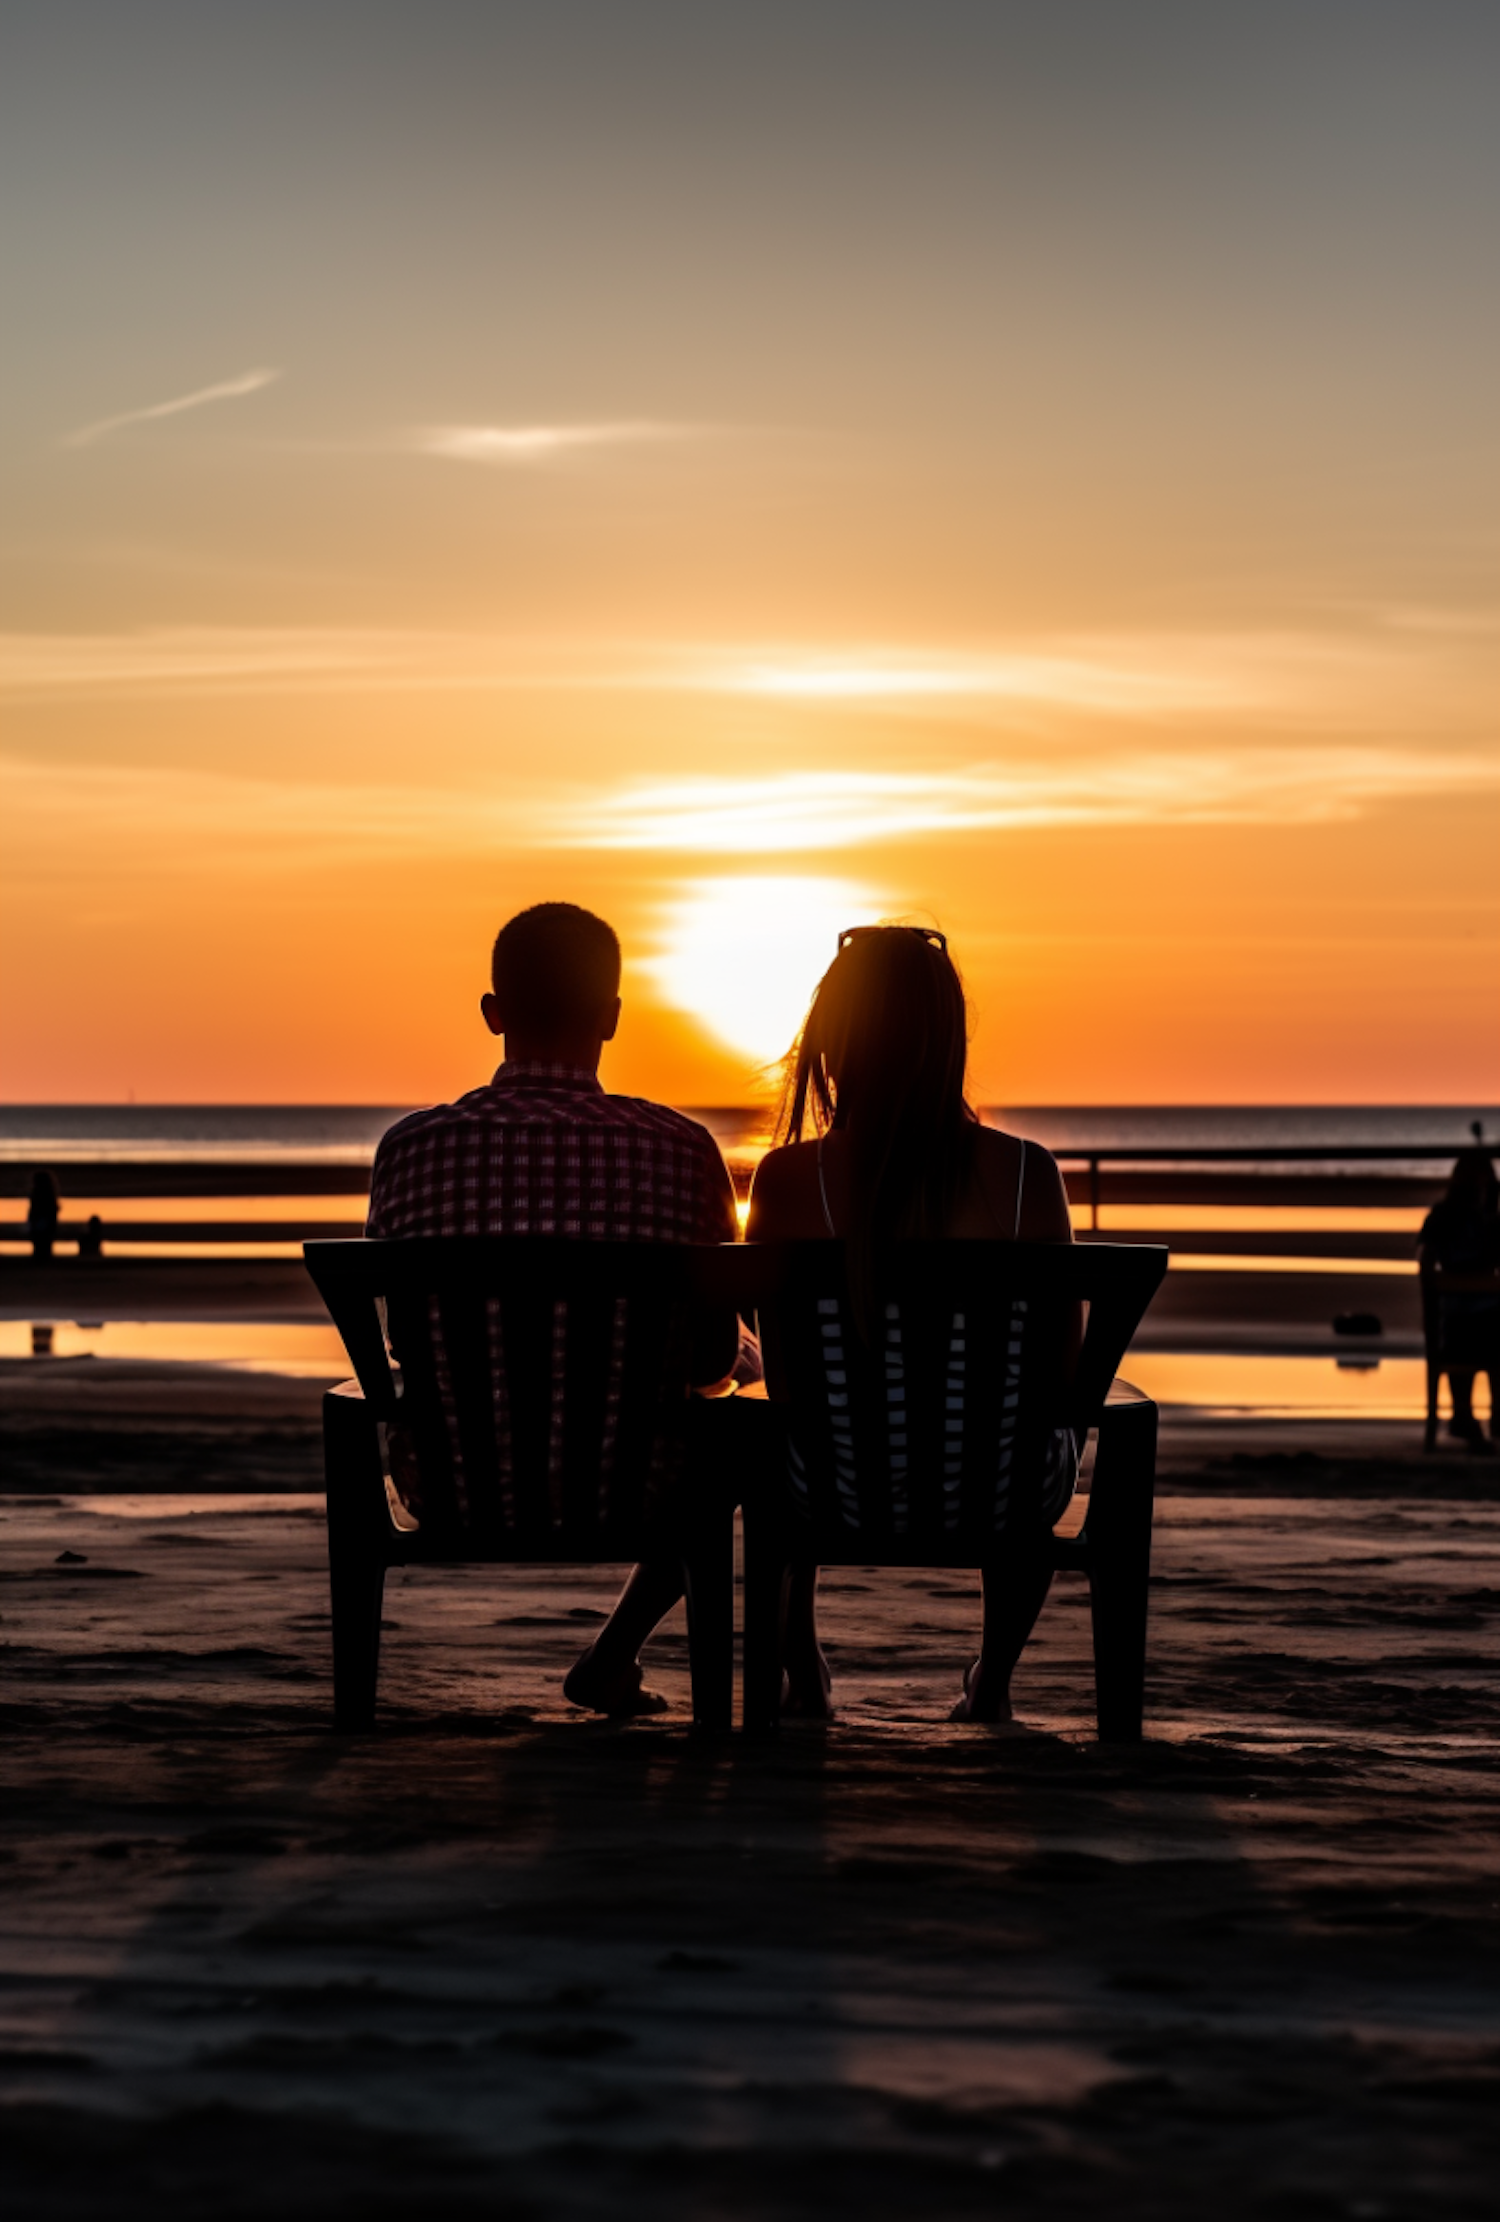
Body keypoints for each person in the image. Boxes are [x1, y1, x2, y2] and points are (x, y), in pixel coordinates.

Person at [366, 901, 751, 1713]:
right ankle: (646, 1664)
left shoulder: (410, 1148)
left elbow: (405, 1337)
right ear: (612, 1018)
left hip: (452, 1484)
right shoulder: (682, 1150)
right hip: (637, 1486)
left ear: (493, 1014)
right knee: (743, 1409)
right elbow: (714, 1361)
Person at [744, 923, 1078, 1722]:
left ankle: (802, 1674)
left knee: (770, 1430)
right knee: (1035, 1429)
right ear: (952, 1038)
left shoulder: (788, 1180)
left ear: (831, 1042)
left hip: (830, 1490)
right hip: (1002, 1492)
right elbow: (1057, 1377)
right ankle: (992, 1682)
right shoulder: (1031, 1175)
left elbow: (788, 1382)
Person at [1419, 1146, 1500, 1449]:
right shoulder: (1488, 1224)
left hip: (1451, 1331)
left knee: (1464, 1321)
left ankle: (1463, 1415)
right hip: (1475, 1330)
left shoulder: (1440, 1217)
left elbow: (1425, 1255)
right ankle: (1489, 1416)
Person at [26, 1170, 60, 1261]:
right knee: (45, 1250)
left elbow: (33, 1214)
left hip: (40, 1230)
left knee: (40, 1249)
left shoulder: (36, 1195)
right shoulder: (50, 1197)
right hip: (46, 1230)